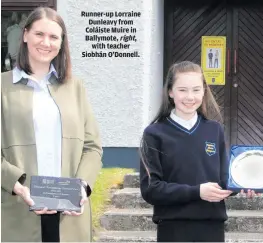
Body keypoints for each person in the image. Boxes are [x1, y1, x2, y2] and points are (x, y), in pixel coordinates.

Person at [1, 7, 103, 242]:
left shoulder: (75, 88)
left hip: (69, 215)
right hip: (17, 210)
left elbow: (92, 147)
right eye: (39, 34)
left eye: (54, 37)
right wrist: (16, 184)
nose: (46, 42)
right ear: (25, 35)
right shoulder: (2, 87)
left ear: (61, 42)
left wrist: (82, 186)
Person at [139, 61, 258, 242]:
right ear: (170, 92)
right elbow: (151, 190)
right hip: (173, 228)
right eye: (182, 90)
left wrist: (243, 184)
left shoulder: (214, 129)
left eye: (196, 90)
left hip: (213, 226)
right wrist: (197, 192)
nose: (190, 96)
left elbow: (224, 180)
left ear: (204, 91)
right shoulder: (154, 134)